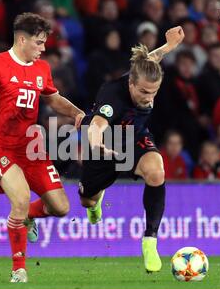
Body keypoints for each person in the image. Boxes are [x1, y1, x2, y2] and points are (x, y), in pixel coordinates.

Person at [0, 13, 85, 283]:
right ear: (22, 40)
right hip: (1, 146)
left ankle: (28, 218)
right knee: (20, 201)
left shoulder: (42, 68)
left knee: (60, 208)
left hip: (31, 147)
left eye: (44, 43)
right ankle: (19, 269)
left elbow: (54, 100)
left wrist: (77, 112)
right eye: (39, 42)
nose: (43, 48)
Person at [78, 26, 185, 273]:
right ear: (130, 82)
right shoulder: (112, 97)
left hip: (134, 138)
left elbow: (151, 60)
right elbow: (97, 125)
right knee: (86, 200)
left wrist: (169, 47)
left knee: (157, 173)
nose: (149, 98)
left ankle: (150, 241)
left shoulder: (144, 74)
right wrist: (97, 145)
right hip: (105, 145)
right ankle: (96, 201)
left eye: (154, 92)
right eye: (144, 92)